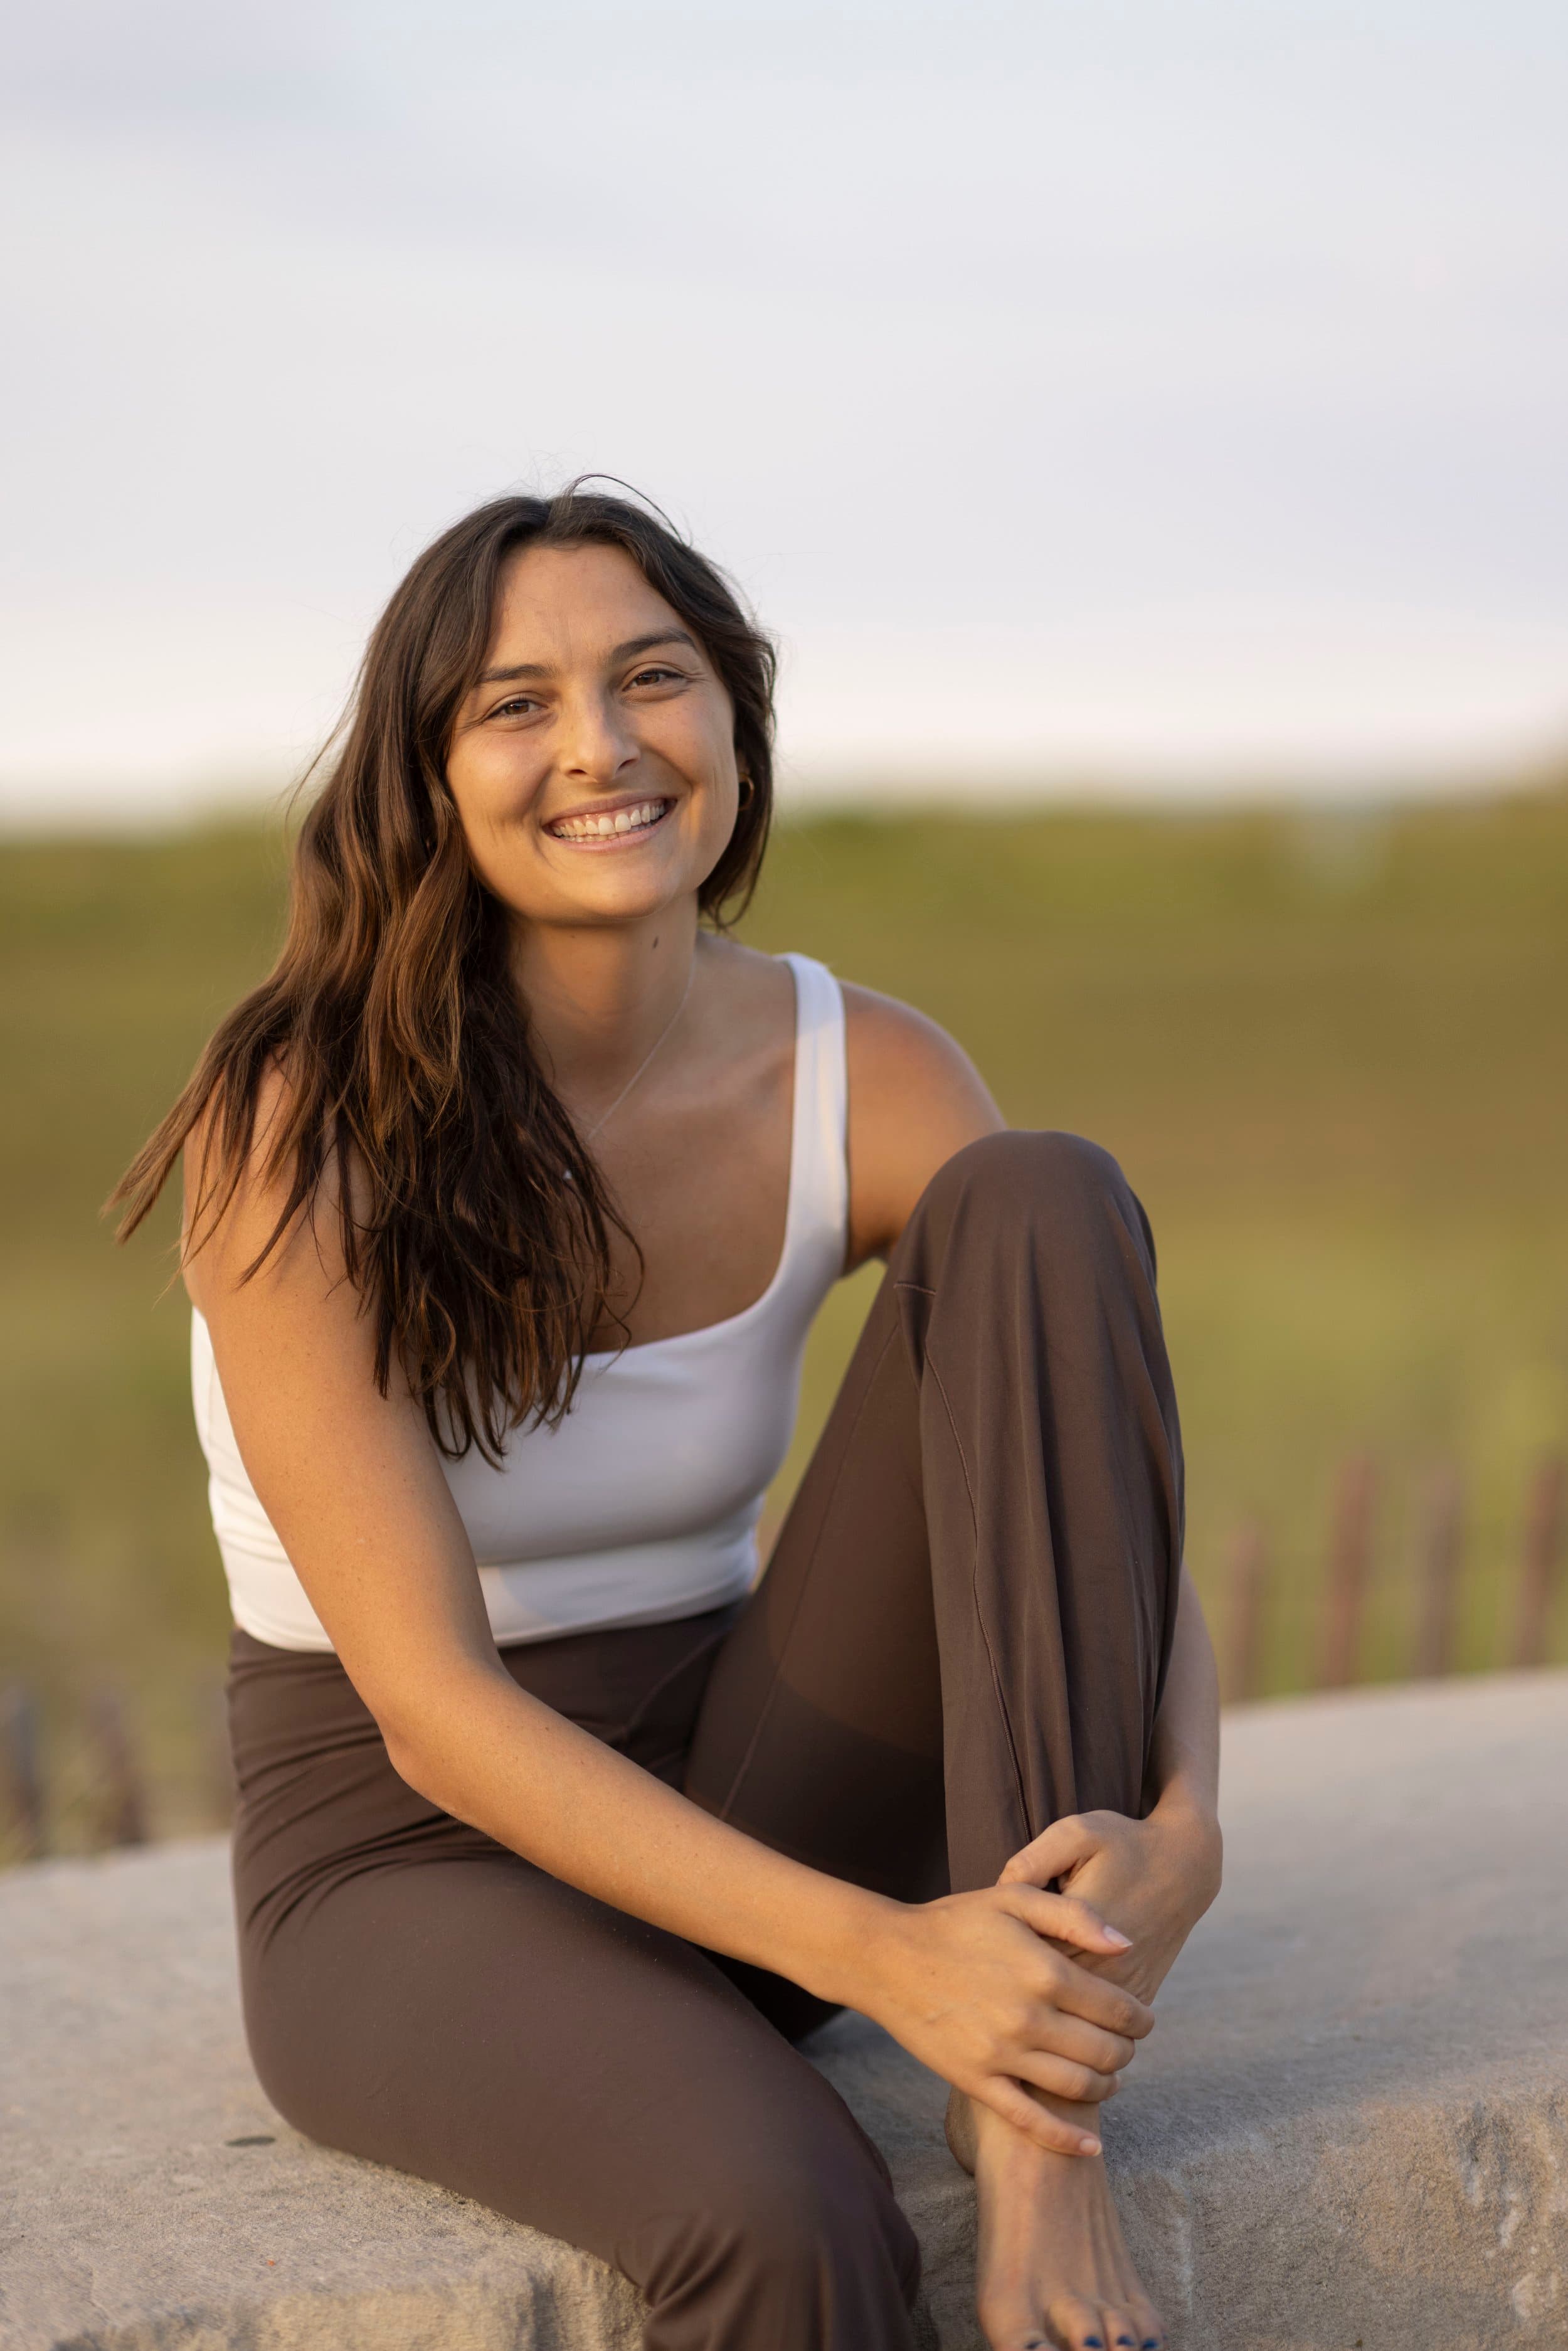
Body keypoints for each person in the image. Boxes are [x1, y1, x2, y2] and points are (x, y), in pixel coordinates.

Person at [115, 487, 1222, 2351]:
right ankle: (956, 2048)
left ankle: (1037, 2139)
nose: (601, 746)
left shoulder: (857, 1065)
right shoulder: (301, 1125)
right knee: (785, 2216)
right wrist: (893, 1960)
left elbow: (1079, 1470)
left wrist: (1190, 1826)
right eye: (516, 704)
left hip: (745, 1770)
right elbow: (433, 1712)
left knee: (1043, 1196)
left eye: (652, 679)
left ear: (733, 719)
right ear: (428, 774)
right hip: (410, 1857)